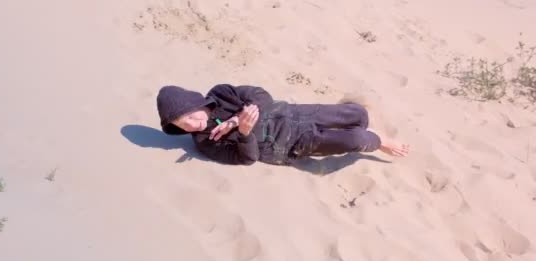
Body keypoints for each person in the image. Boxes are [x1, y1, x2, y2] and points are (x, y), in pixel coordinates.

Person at [156, 83, 409, 166]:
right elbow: (247, 159)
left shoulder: (222, 93)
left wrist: (236, 118)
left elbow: (261, 96)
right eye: (183, 125)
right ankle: (380, 142)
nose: (193, 125)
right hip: (290, 144)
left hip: (294, 113)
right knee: (356, 139)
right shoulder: (204, 142)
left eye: (190, 115)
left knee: (359, 114)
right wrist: (244, 133)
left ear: (196, 102)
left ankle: (356, 125)